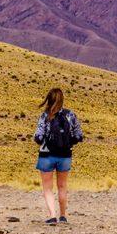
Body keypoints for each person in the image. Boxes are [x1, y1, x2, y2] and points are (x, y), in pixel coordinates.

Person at [33, 88, 83, 225]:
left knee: (48, 187)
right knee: (62, 186)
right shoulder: (70, 115)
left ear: (48, 99)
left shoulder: (45, 116)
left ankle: (52, 216)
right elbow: (79, 136)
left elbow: (38, 137)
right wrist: (68, 142)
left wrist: (43, 141)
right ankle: (63, 216)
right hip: (65, 155)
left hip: (47, 156)